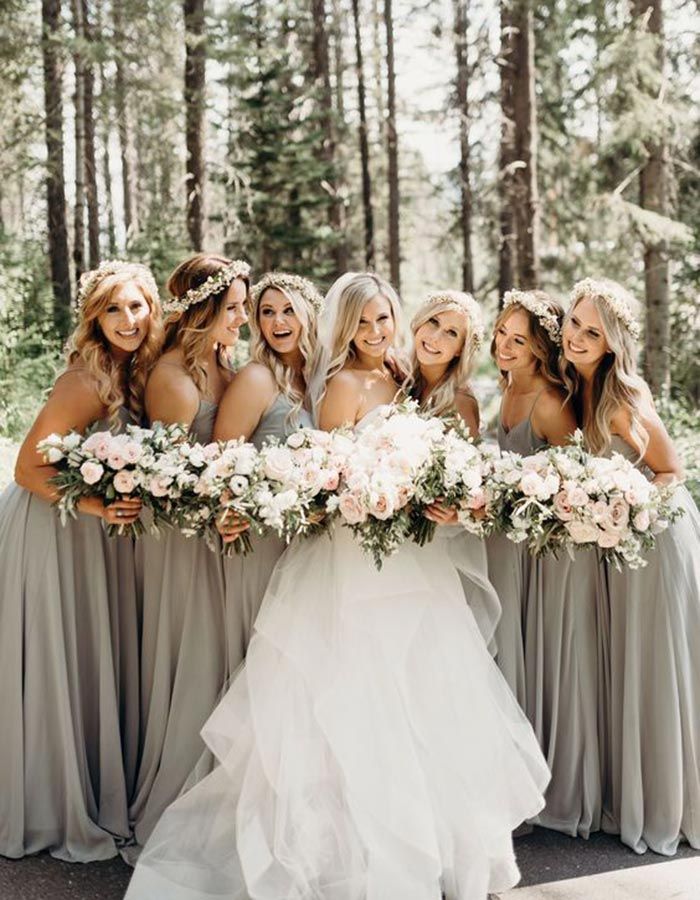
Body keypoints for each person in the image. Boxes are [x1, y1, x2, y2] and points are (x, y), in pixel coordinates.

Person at [125, 272, 549, 900]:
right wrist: (378, 491)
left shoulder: (406, 377)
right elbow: (331, 473)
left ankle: (431, 840)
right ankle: (342, 847)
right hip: (352, 559)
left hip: (415, 566)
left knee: (423, 698)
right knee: (348, 697)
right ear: (344, 328)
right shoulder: (342, 385)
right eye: (364, 323)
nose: (376, 333)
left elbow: (441, 450)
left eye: (385, 319)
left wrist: (432, 490)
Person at [0, 260, 162, 861]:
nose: (127, 320)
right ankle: (47, 800)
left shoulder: (136, 374)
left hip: (87, 528)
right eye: (114, 309)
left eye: (137, 307)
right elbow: (25, 467)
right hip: (53, 527)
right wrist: (96, 509)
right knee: (54, 655)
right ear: (95, 318)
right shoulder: (85, 380)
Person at [562, 277, 700, 855]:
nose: (578, 337)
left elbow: (671, 472)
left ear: (613, 342)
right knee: (627, 663)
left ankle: (667, 800)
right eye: (574, 323)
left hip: (655, 539)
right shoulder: (577, 390)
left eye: (593, 332)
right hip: (617, 542)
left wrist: (629, 507)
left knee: (651, 665)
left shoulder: (624, 398)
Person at [127, 254, 250, 859]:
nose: (243, 318)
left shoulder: (225, 362)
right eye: (233, 309)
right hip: (183, 542)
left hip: (225, 537)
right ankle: (182, 797)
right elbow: (166, 481)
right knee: (194, 660)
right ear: (203, 311)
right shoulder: (173, 378)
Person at [490, 290, 602, 838]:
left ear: (541, 348)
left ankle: (553, 786)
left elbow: (576, 482)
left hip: (549, 557)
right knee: (512, 661)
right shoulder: (506, 390)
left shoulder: (552, 403)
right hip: (508, 551)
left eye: (520, 340)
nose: (506, 347)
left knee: (546, 663)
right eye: (502, 335)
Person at [213, 272, 323, 674]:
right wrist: (226, 512)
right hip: (260, 541)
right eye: (268, 312)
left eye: (289, 311)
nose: (279, 323)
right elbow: (223, 461)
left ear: (309, 316)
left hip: (311, 545)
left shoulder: (320, 379)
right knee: (261, 660)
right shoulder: (256, 378)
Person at [407, 290, 501, 650]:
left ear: (461, 349)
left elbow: (466, 480)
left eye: (451, 334)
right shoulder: (400, 379)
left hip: (433, 543)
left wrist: (456, 512)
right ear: (419, 321)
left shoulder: (459, 401)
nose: (436, 338)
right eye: (434, 323)